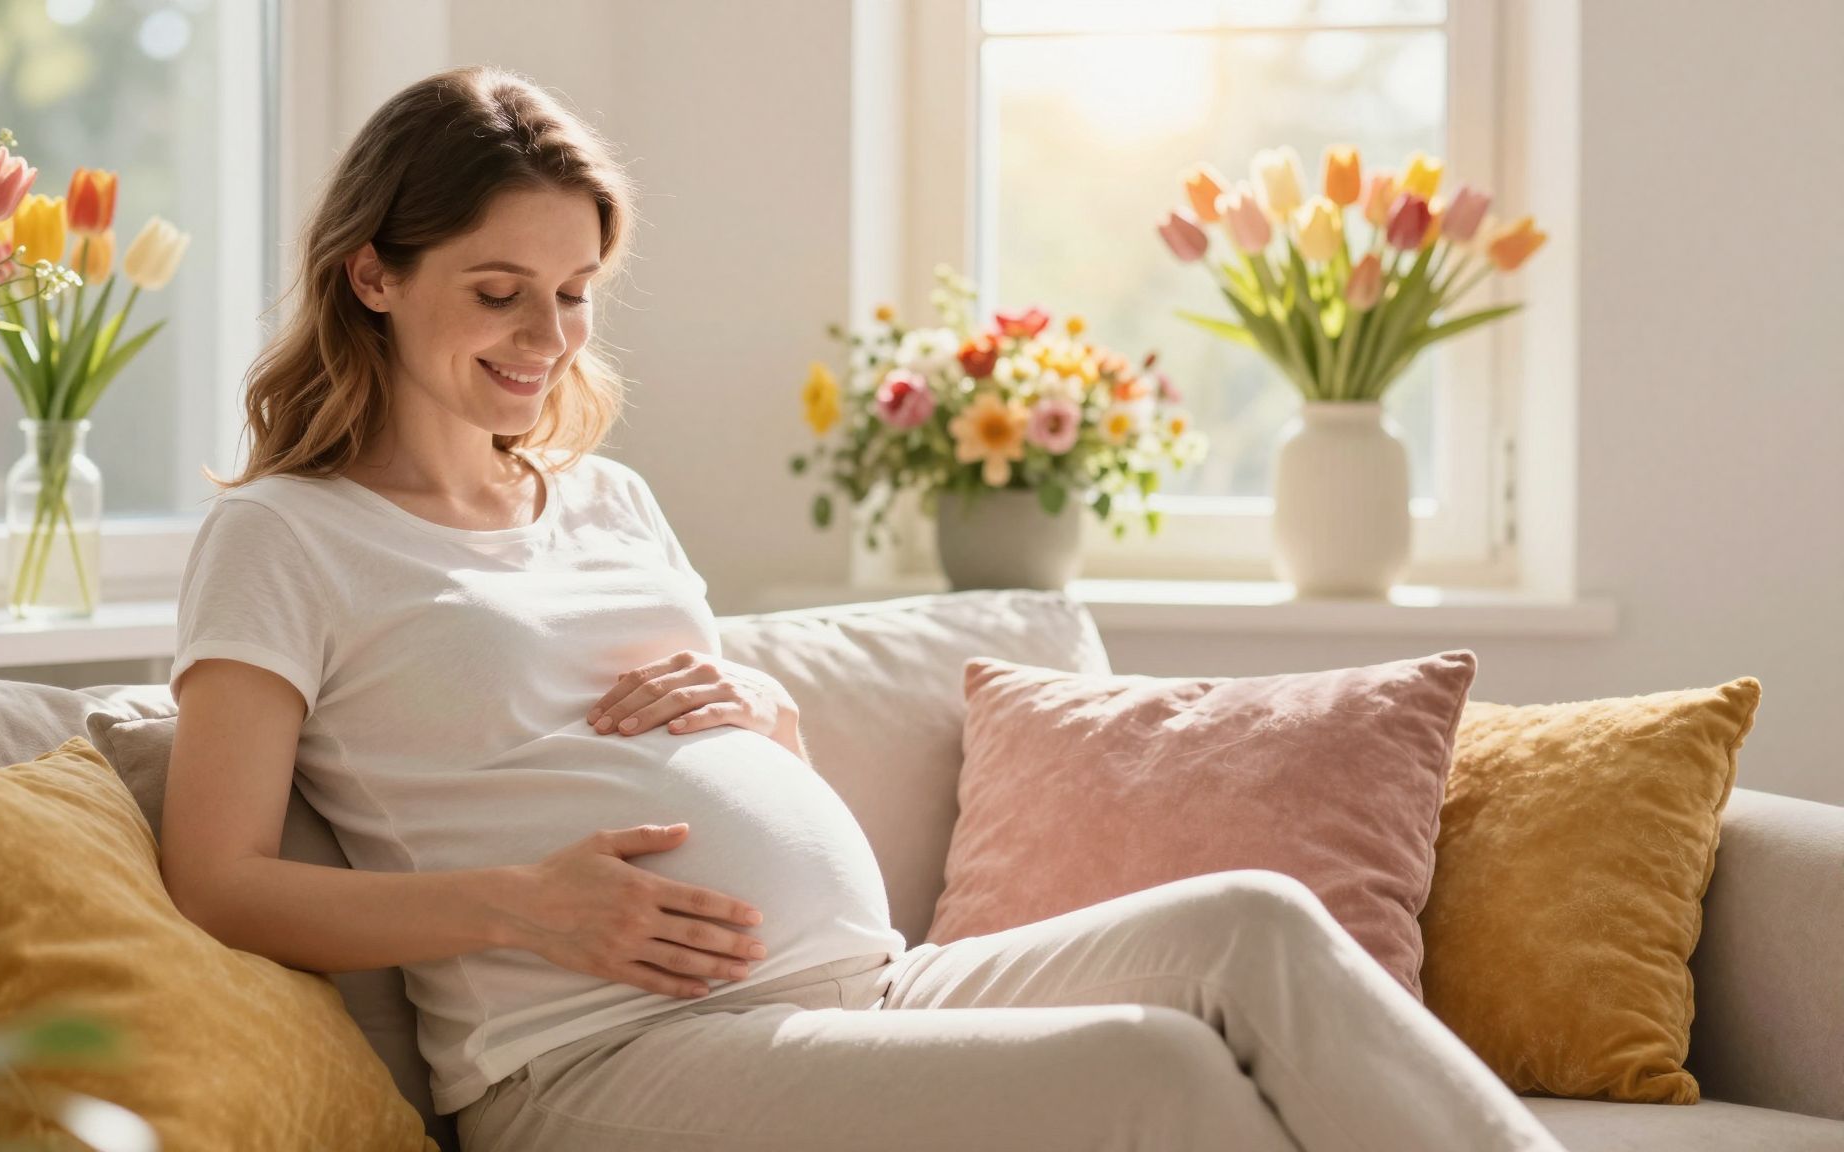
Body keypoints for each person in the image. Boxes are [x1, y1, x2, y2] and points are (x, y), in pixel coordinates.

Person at [161, 64, 1566, 1152]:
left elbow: (726, 741)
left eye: (576, 294)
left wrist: (763, 711)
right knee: (1156, 1072)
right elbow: (215, 880)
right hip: (596, 1058)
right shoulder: (283, 537)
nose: (548, 340)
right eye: (499, 292)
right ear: (373, 276)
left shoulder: (609, 501)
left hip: (871, 987)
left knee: (1254, 923)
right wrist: (520, 910)